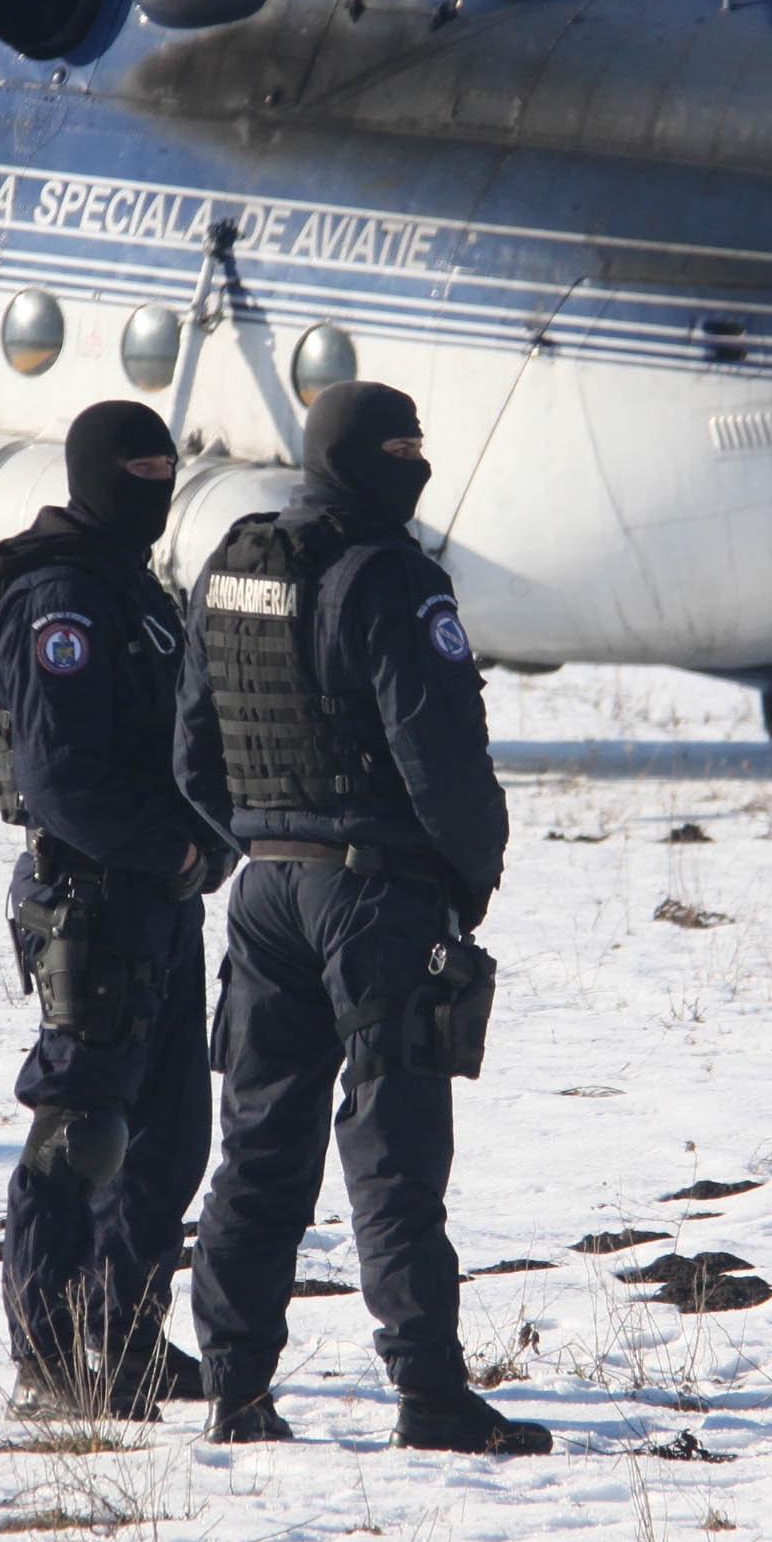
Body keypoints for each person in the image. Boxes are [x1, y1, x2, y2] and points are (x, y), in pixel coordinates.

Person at [175, 378, 542, 1455]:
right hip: (375, 896)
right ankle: (428, 1394)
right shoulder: (393, 578)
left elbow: (191, 752)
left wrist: (257, 840)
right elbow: (447, 761)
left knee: (259, 1146)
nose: (419, 465)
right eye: (403, 447)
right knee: (392, 1147)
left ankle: (235, 1389)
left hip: (265, 896)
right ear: (367, 461)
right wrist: (469, 879)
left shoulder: (232, 563)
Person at [0, 398, 231, 1417]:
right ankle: (48, 1357)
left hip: (160, 898)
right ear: (93, 473)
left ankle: (125, 1337)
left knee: (169, 1137)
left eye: (168, 464)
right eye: (138, 466)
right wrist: (170, 842)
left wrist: (206, 839)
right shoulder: (62, 599)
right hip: (92, 900)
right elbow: (59, 777)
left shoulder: (136, 588)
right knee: (82, 1131)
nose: (158, 482)